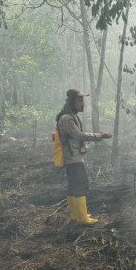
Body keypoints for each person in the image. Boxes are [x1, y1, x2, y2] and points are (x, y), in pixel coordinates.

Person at [56, 89, 111, 225]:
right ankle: (82, 218)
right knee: (80, 184)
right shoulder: (66, 118)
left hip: (74, 156)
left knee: (74, 185)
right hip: (73, 158)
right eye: (79, 101)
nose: (82, 104)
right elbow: (79, 136)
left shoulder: (70, 116)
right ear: (72, 102)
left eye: (82, 101)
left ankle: (77, 215)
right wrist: (100, 135)